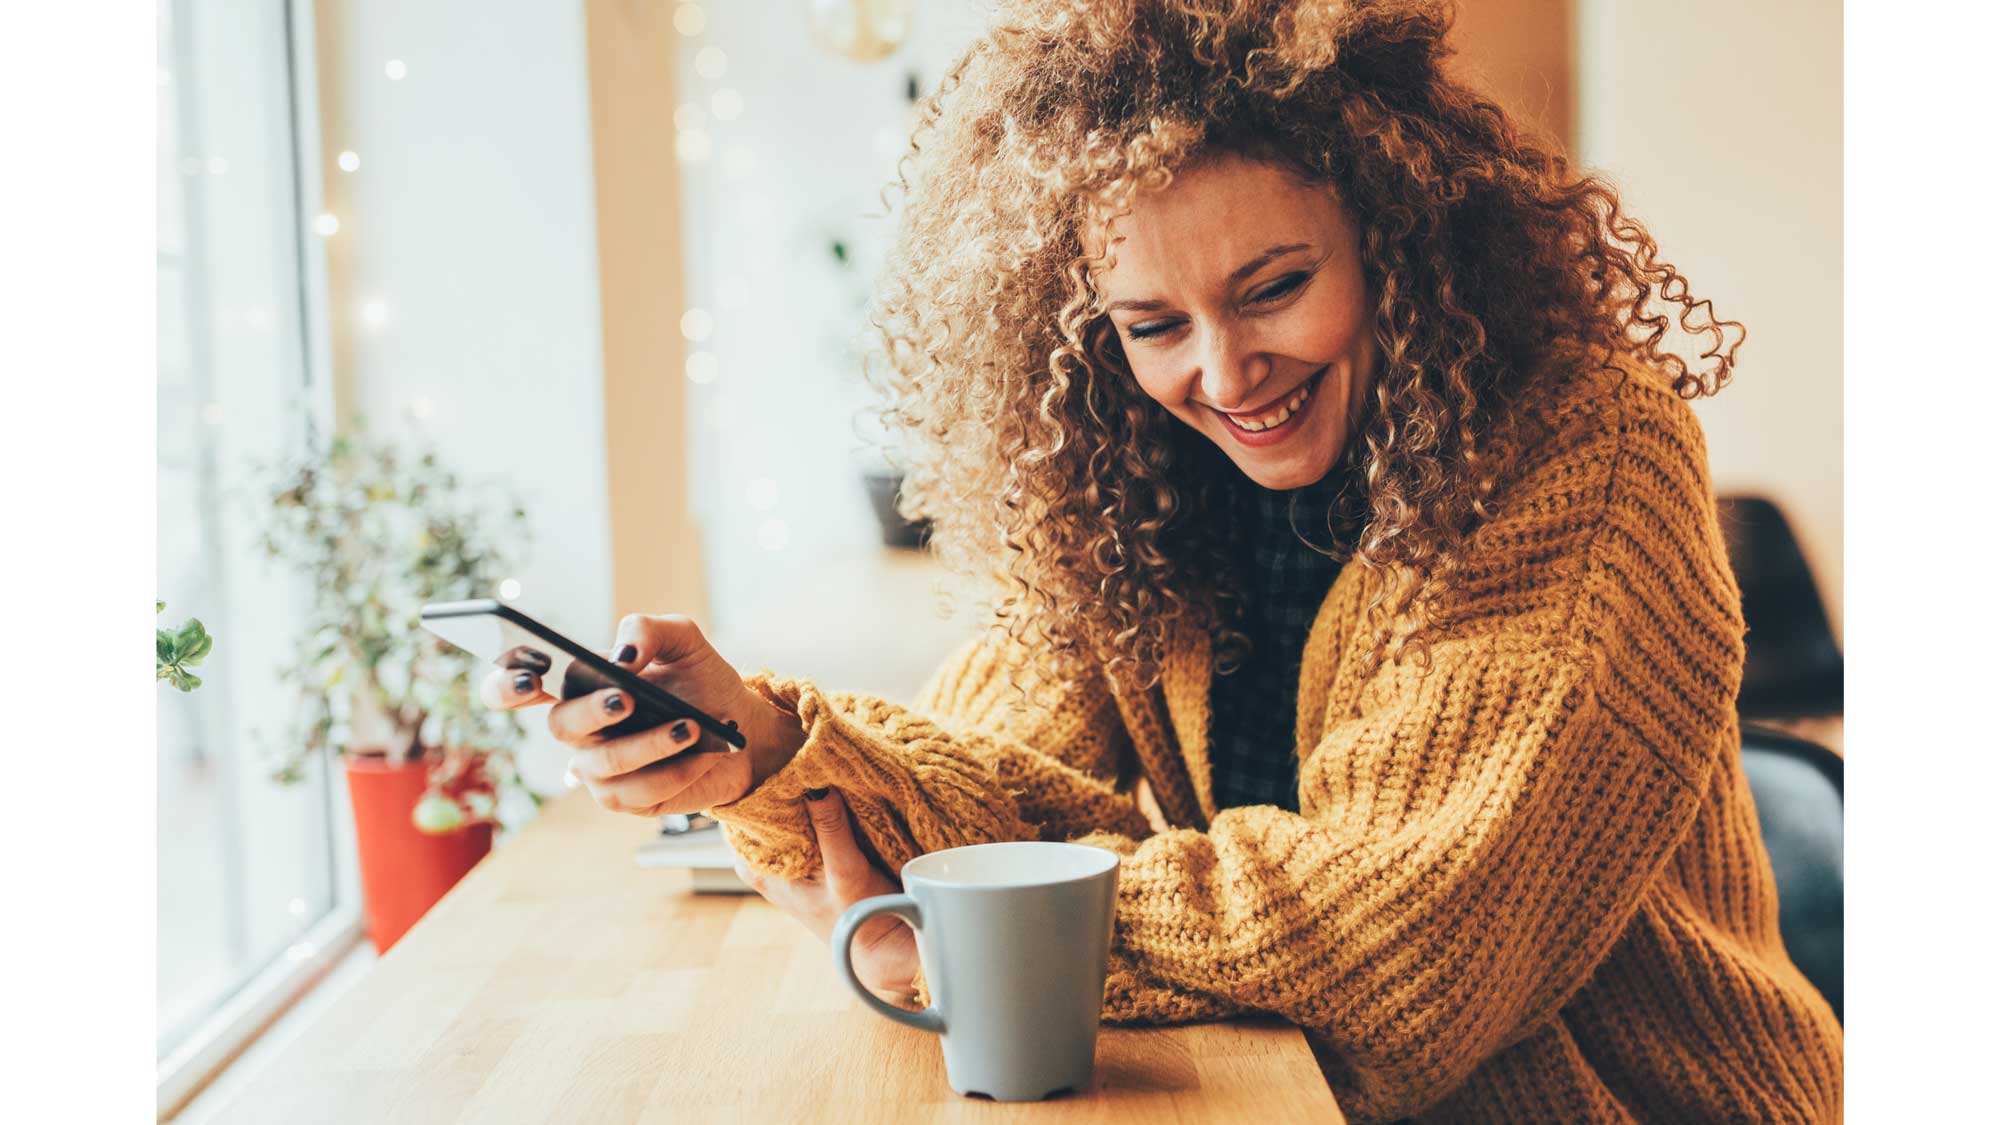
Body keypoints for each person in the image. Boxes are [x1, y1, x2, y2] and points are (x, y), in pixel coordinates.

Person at [482, 1, 1842, 1120]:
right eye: (1151, 322)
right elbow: (991, 778)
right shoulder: (1126, 472)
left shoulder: (1580, 450)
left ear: (1399, 238)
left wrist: (964, 937)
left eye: (1274, 288)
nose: (1223, 371)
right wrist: (768, 749)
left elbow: (1406, 946)